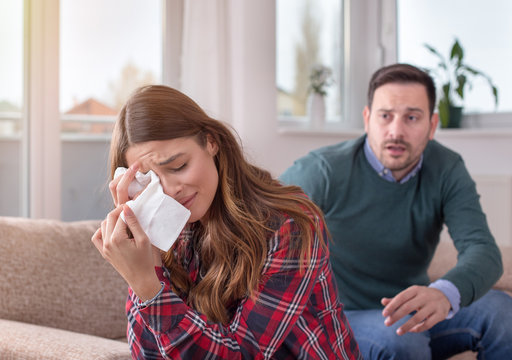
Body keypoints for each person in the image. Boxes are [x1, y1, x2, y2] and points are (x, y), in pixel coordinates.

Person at [91, 85, 361, 359]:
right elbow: (149, 354)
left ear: (211, 142)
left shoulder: (287, 225)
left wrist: (150, 288)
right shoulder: (170, 227)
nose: (170, 190)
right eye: (151, 182)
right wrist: (146, 256)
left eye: (178, 166)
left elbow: (242, 354)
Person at [280, 63, 512, 359]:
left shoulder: (447, 169)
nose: (396, 131)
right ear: (367, 119)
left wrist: (443, 293)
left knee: (503, 313)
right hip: (340, 318)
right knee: (402, 340)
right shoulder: (323, 170)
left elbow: (482, 249)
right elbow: (258, 224)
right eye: (385, 116)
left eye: (412, 117)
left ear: (432, 125)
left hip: (411, 310)